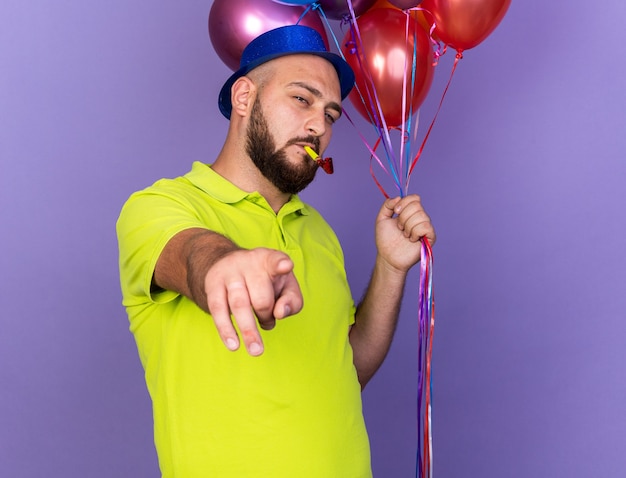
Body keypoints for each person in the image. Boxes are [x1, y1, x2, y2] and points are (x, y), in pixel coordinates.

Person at [117, 25, 435, 478]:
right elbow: (191, 255)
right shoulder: (161, 206)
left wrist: (390, 266)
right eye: (301, 99)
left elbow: (349, 369)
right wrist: (225, 264)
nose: (318, 126)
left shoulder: (320, 233)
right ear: (244, 97)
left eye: (331, 114)